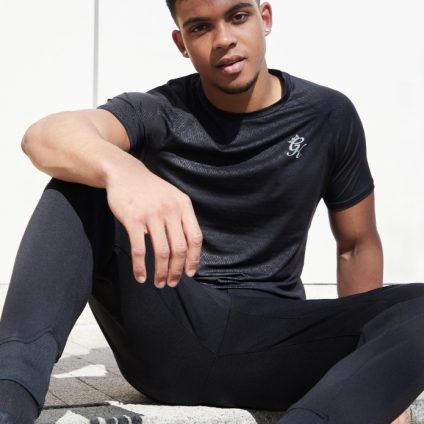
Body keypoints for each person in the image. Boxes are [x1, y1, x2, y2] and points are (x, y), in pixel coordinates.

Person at [0, 0, 422, 423]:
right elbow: (43, 136)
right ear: (181, 43)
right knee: (82, 182)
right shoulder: (160, 111)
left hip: (277, 341)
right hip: (168, 332)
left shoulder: (327, 115)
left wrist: (382, 375)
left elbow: (355, 245)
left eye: (237, 17)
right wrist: (125, 172)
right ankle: (8, 403)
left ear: (265, 18)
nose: (223, 40)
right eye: (200, 28)